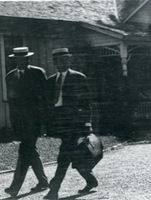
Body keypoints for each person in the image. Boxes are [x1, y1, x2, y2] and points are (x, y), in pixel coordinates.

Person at [44, 48, 101, 199]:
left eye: (66, 59)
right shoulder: (50, 81)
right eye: (60, 60)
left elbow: (86, 102)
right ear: (55, 62)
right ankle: (90, 180)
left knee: (63, 155)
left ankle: (54, 189)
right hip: (59, 123)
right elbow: (48, 104)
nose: (64, 62)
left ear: (69, 61)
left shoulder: (78, 77)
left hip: (75, 123)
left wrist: (88, 123)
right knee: (72, 155)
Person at [5, 47, 48, 197]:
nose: (25, 60)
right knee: (31, 151)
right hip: (20, 123)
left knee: (24, 151)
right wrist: (14, 124)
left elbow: (45, 99)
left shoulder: (38, 73)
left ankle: (14, 188)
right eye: (21, 58)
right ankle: (43, 181)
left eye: (27, 58)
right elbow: (11, 102)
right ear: (15, 60)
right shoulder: (10, 77)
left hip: (35, 121)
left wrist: (44, 122)